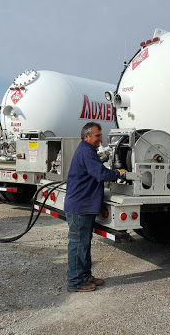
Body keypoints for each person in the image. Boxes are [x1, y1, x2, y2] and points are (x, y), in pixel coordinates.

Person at [63, 122, 124, 292]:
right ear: (87, 136)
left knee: (84, 244)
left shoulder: (88, 151)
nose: (100, 138)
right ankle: (75, 282)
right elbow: (100, 173)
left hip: (82, 205)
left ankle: (85, 276)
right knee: (78, 244)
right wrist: (119, 174)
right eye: (97, 136)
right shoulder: (86, 152)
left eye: (100, 135)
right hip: (79, 207)